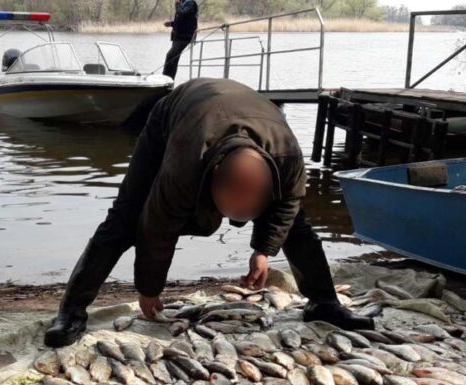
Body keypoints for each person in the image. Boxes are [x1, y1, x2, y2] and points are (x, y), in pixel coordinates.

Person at [44, 78, 374, 348]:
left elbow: (286, 209)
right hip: (176, 115)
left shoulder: (288, 161)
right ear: (211, 183)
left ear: (268, 186)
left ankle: (325, 304)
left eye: (252, 207)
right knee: (125, 218)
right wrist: (149, 288)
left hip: (255, 118)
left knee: (298, 227)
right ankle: (71, 313)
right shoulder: (184, 169)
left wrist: (263, 251)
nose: (243, 214)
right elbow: (157, 227)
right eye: (235, 206)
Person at [162, 0, 198, 79]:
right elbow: (183, 21)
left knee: (170, 56)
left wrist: (177, 4)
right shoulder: (183, 4)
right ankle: (169, 80)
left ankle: (165, 78)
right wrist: (171, 24)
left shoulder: (190, 3)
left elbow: (182, 13)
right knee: (173, 59)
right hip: (178, 37)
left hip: (184, 37)